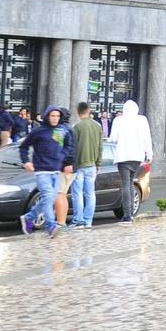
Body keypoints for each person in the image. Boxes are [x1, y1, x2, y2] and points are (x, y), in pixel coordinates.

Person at [19, 105, 76, 238]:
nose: (55, 119)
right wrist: (26, 161)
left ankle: (29, 217)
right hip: (42, 170)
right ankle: (51, 225)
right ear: (47, 116)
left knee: (49, 198)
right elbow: (24, 146)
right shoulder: (38, 131)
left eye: (57, 116)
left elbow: (69, 145)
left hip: (56, 170)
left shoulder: (62, 131)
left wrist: (63, 158)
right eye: (52, 116)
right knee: (49, 196)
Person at [109, 100, 152, 225]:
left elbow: (113, 138)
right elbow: (147, 138)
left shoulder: (119, 120)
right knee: (130, 184)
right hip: (137, 157)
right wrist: (149, 154)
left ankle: (127, 215)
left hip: (123, 156)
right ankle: (131, 213)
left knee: (125, 185)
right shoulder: (142, 120)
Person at [69, 102, 102, 229]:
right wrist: (98, 163)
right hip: (92, 165)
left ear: (78, 111)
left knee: (77, 193)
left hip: (79, 165)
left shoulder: (76, 127)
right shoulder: (97, 126)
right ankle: (88, 221)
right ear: (89, 111)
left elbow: (72, 148)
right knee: (90, 193)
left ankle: (79, 220)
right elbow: (100, 147)